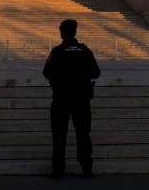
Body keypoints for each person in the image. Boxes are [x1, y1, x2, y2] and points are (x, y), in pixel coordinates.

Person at [42, 19, 101, 179]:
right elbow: (96, 73)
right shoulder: (84, 51)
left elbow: (46, 72)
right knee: (83, 134)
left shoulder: (57, 51)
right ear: (75, 32)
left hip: (61, 98)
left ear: (61, 33)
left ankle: (58, 169)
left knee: (59, 135)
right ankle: (87, 168)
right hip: (81, 99)